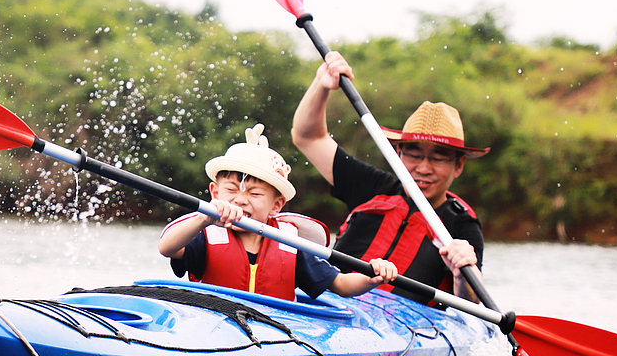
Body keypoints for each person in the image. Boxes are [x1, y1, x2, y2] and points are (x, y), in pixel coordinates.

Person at [291, 51, 489, 302]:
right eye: (414, 155)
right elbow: (307, 137)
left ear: (458, 165)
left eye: (438, 158)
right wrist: (322, 85)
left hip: (401, 327)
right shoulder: (371, 185)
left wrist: (462, 274)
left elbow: (470, 303)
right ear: (398, 154)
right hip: (328, 305)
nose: (424, 168)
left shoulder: (462, 223)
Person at [159, 123, 396, 302]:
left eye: (255, 194)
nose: (240, 200)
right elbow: (167, 248)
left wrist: (371, 277)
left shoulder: (289, 243)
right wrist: (204, 217)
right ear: (215, 192)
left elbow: (341, 284)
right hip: (214, 327)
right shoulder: (206, 232)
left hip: (271, 335)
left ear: (276, 205)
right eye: (230, 190)